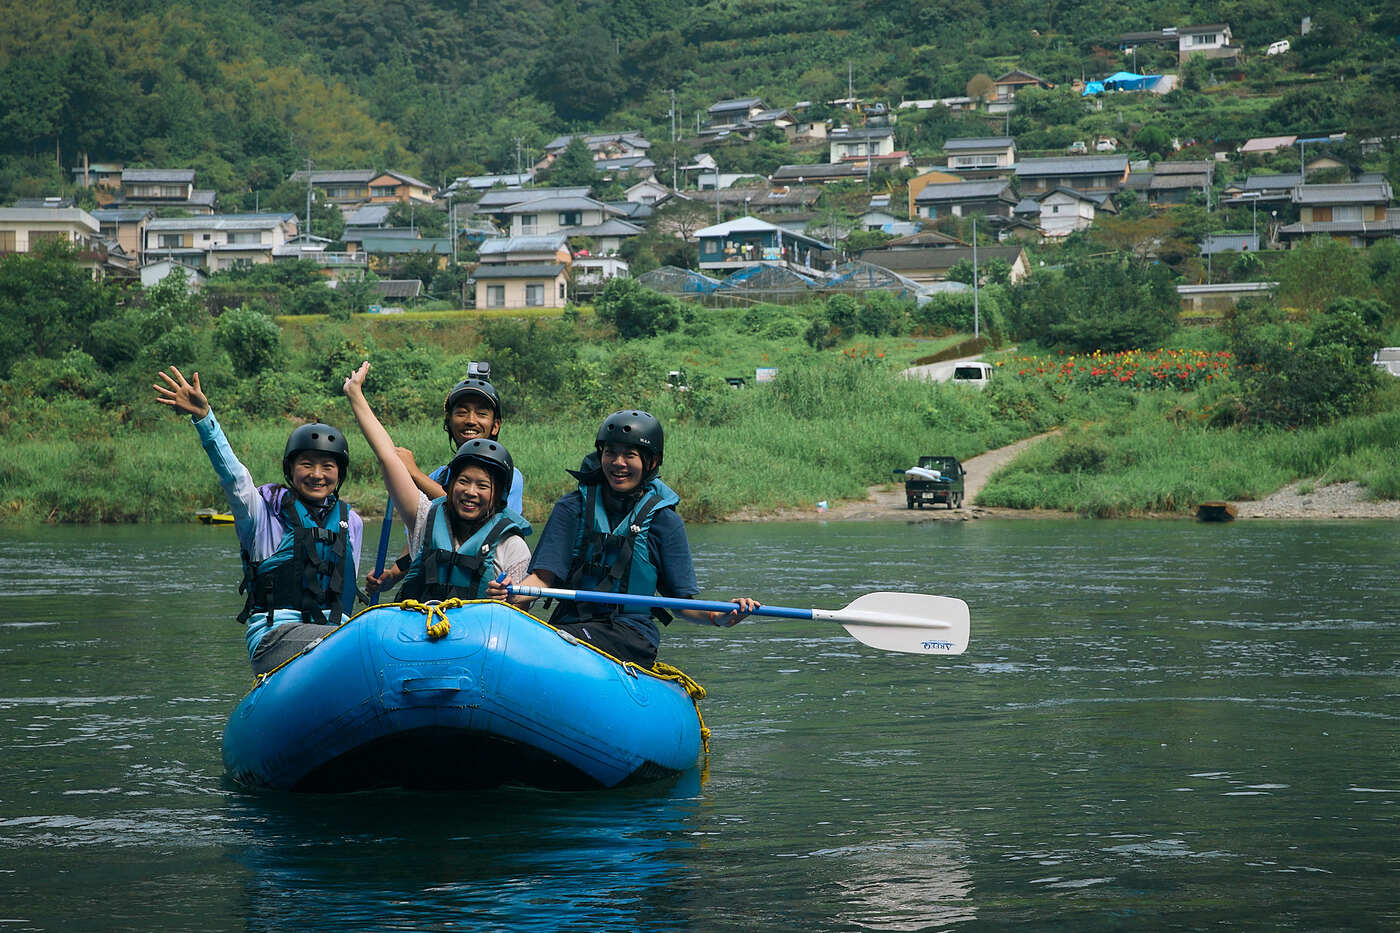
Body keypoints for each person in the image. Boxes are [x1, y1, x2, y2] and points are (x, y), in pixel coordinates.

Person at [488, 409, 758, 667]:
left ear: (650, 462)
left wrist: (720, 616)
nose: (618, 463)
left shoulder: (665, 522)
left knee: (564, 642)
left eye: (629, 455)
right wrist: (508, 601)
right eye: (610, 453)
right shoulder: (572, 508)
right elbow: (543, 579)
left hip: (631, 635)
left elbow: (683, 605)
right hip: (567, 627)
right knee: (553, 640)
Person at [154, 366, 363, 676]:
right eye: (307, 464)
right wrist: (204, 419)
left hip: (336, 641)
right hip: (275, 640)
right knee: (359, 640)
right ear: (291, 471)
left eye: (327, 466)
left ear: (339, 474)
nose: (317, 475)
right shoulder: (262, 511)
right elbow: (233, 477)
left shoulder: (352, 522)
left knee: (362, 635)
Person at [343, 361, 531, 598]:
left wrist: (506, 597)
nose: (471, 492)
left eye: (483, 485)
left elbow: (518, 606)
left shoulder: (513, 544)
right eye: (462, 482)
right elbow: (388, 457)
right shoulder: (431, 507)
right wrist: (355, 394)